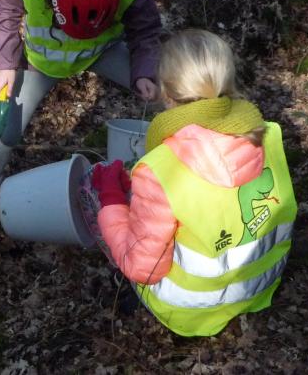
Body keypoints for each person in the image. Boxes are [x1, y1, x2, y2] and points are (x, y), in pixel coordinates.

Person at [91, 29, 297, 337]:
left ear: (166, 94)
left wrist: (111, 199)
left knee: (104, 214)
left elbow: (141, 268)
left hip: (190, 311)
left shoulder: (160, 170)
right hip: (259, 286)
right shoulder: (268, 133)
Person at [0, 0, 162, 201]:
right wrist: (6, 63)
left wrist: (145, 73)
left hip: (100, 52)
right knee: (9, 127)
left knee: (164, 89)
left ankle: (182, 157)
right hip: (41, 64)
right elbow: (5, 9)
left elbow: (146, 32)